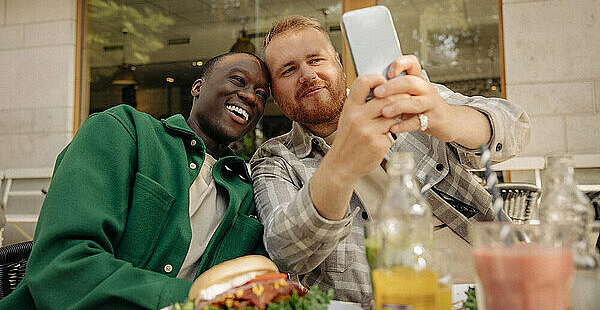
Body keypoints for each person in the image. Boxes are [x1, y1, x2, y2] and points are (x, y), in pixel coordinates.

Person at [250, 15, 530, 307]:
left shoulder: (407, 100)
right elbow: (286, 250)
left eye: (316, 60)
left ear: (338, 63)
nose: (307, 74)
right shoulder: (275, 160)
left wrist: (445, 117)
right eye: (288, 70)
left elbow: (516, 127)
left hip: (499, 289)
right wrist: (341, 166)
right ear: (275, 95)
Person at [1, 52, 270, 309]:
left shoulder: (247, 193)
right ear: (197, 87)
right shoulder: (122, 131)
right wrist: (198, 300)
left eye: (261, 95)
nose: (249, 96)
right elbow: (63, 265)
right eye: (238, 80)